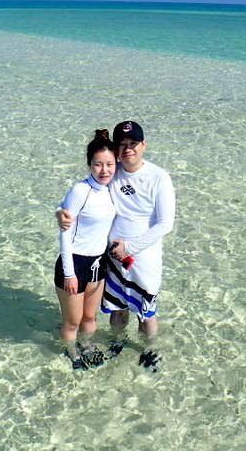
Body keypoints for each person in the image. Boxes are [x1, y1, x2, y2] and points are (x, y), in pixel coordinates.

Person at [58, 120, 175, 370]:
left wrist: (130, 248)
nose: (128, 149)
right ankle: (117, 341)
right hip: (110, 260)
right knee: (117, 308)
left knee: (146, 312)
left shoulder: (159, 177)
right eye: (122, 144)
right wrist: (60, 211)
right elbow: (81, 195)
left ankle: (149, 349)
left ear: (144, 144)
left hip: (144, 260)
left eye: (133, 143)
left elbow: (165, 224)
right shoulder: (112, 169)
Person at [55, 130, 118, 370]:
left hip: (98, 263)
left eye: (110, 164)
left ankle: (87, 343)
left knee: (90, 317)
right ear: (89, 164)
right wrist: (69, 273)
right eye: (98, 164)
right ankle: (72, 351)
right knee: (72, 321)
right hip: (74, 262)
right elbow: (65, 231)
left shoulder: (113, 188)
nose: (104, 170)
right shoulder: (81, 190)